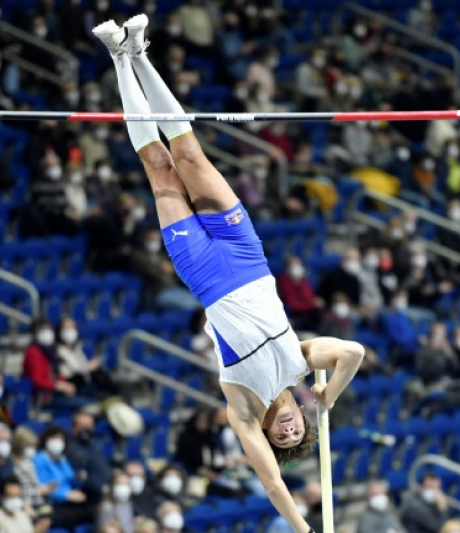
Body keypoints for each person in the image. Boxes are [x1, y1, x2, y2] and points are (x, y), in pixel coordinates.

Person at [92, 16, 364, 532]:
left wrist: (305, 530)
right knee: (189, 153)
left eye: (280, 438)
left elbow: (272, 484)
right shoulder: (303, 364)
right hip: (246, 255)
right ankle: (141, 52)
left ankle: (117, 57)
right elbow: (353, 353)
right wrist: (329, 396)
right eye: (295, 433)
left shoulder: (240, 406)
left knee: (159, 169)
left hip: (204, 276)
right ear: (302, 419)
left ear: (267, 430)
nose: (286, 432)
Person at [33, 426, 95, 525]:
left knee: (93, 509)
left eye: (61, 439)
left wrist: (78, 478)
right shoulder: (39, 459)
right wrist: (66, 495)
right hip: (52, 503)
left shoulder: (62, 459)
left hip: (69, 500)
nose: (58, 441)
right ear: (46, 439)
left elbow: (69, 477)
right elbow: (44, 488)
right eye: (55, 438)